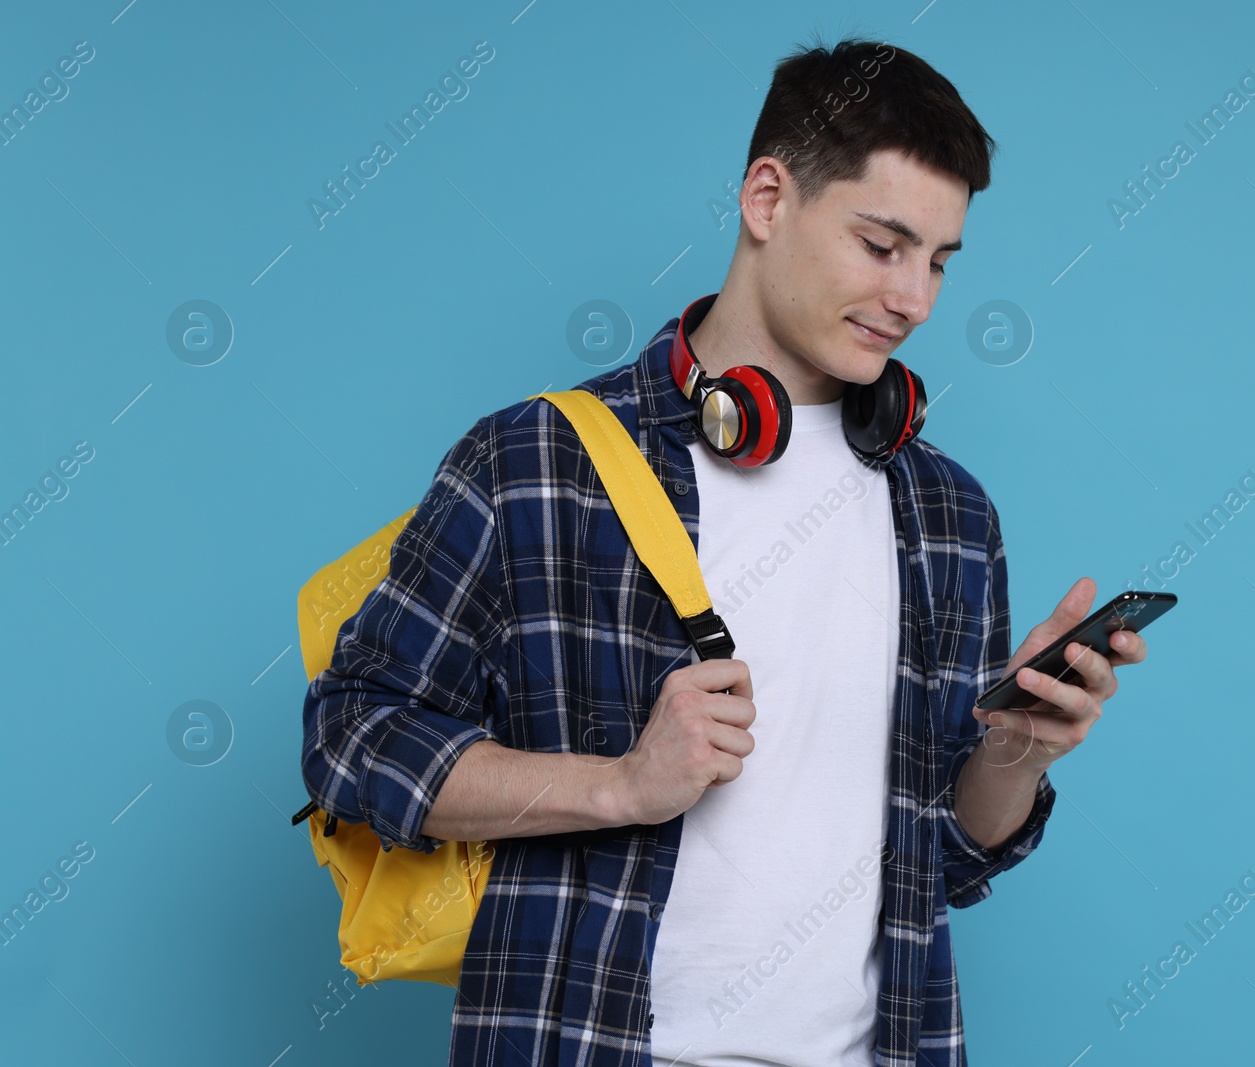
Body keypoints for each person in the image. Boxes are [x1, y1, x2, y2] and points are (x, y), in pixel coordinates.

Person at [301, 35, 1148, 1067]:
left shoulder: (948, 514)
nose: (914, 298)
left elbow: (947, 860)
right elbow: (351, 739)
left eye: (937, 260)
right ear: (766, 198)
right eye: (881, 245)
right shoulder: (536, 462)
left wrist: (1019, 747)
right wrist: (619, 782)